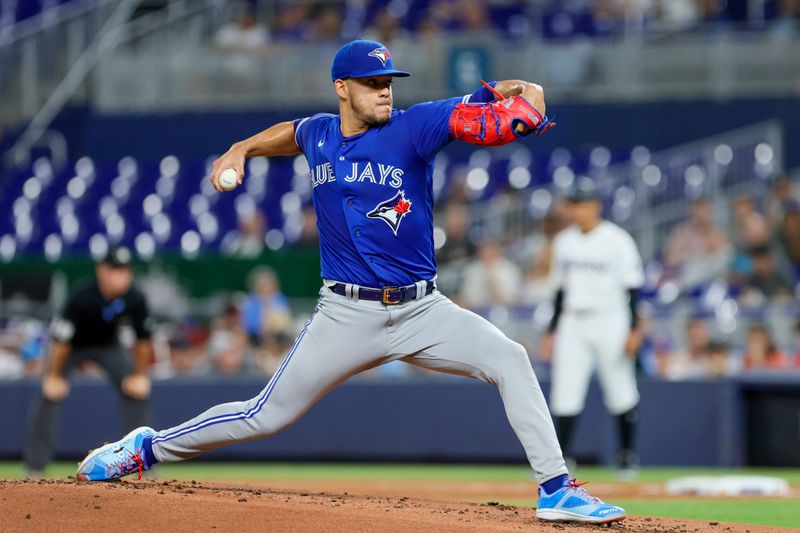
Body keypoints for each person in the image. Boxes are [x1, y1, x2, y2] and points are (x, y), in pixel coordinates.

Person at [76, 39, 624, 524]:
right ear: (342, 88)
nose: (385, 92)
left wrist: (517, 91)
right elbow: (287, 135)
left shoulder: (414, 126)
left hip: (422, 311)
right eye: (372, 84)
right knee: (265, 416)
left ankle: (556, 489)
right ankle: (145, 450)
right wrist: (241, 149)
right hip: (346, 314)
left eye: (388, 82)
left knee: (511, 359)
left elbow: (513, 114)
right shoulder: (318, 133)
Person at [540, 178, 644, 479]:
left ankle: (626, 457)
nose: (577, 210)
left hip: (611, 318)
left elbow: (633, 289)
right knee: (565, 391)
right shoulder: (563, 241)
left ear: (596, 205)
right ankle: (562, 461)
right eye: (574, 204)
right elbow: (559, 291)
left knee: (620, 388)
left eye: (583, 203)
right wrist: (551, 331)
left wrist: (635, 329)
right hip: (573, 320)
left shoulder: (617, 240)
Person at [25, 247, 152, 476]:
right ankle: (35, 467)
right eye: (115, 270)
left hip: (108, 346)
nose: (120, 276)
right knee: (49, 393)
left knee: (136, 391)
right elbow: (61, 341)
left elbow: (143, 341)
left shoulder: (134, 297)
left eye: (124, 271)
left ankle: (143, 463)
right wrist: (53, 376)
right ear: (102, 271)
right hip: (73, 347)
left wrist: (139, 375)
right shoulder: (83, 295)